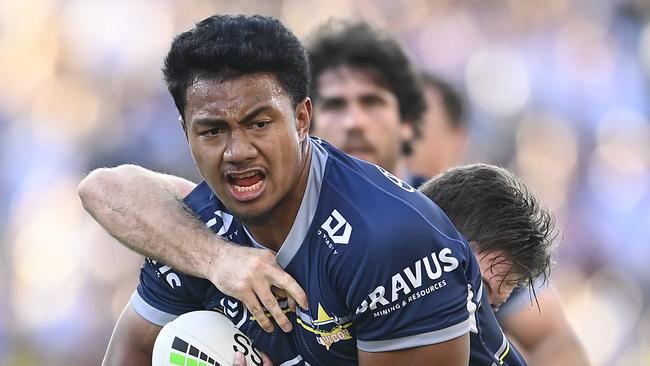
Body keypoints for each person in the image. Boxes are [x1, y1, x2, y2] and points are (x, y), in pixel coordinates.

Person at [79, 14, 515, 365]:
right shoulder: (197, 233)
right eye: (212, 130)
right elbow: (102, 189)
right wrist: (217, 260)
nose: (237, 151)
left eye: (259, 123)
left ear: (303, 119)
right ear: (185, 133)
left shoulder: (389, 240)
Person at [411, 72, 590, 366]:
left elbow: (556, 341)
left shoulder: (485, 230)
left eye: (417, 123)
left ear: (456, 138)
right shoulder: (330, 240)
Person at [306, 21, 426, 182]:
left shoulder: (441, 206)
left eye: (371, 102)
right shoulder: (284, 206)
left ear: (407, 121)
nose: (354, 123)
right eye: (335, 105)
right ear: (305, 124)